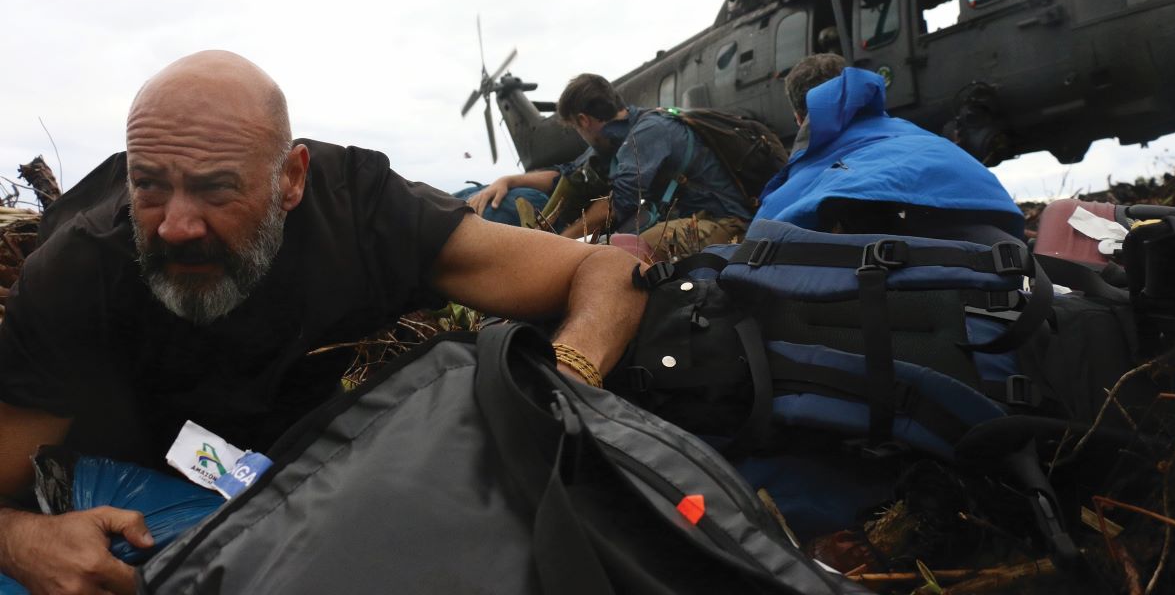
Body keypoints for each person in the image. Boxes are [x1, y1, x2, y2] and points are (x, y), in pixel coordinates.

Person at [0, 51, 648, 595]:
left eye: (216, 188)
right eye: (149, 187)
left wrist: (552, 395)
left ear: (291, 179)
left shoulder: (360, 212)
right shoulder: (81, 272)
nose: (176, 225)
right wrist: (22, 540)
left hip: (330, 485)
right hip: (149, 500)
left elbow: (604, 273)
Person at [756, 54, 1024, 240]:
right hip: (1009, 285)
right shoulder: (928, 142)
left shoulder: (801, 182)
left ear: (799, 118)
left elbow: (758, 240)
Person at [552, 74, 752, 257]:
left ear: (583, 120)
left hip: (726, 224)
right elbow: (568, 172)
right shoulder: (635, 129)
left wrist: (557, 243)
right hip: (698, 220)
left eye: (576, 127)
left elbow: (616, 204)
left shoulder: (648, 131)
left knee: (624, 254)